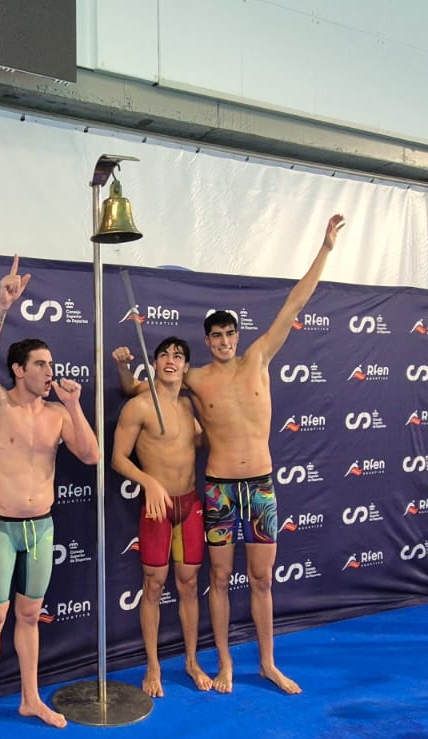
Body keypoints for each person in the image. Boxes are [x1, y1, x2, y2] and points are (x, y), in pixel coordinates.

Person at [124, 214, 345, 693]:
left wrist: (325, 248)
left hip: (261, 487)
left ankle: (267, 663)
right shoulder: (195, 378)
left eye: (229, 335)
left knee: (262, 579)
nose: (223, 342)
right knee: (219, 579)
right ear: (206, 342)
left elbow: (295, 302)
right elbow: (152, 387)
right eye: (215, 337)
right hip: (220, 490)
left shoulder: (260, 359)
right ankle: (224, 662)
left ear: (237, 336)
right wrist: (125, 377)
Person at [0, 256, 101, 739]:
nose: (49, 370)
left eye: (51, 364)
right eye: (40, 364)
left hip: (42, 528)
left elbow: (91, 454)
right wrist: (1, 305)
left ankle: (30, 696)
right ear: (18, 369)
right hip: (1, 527)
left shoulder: (59, 413)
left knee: (27, 616)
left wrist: (75, 404)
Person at [110, 338, 211, 697]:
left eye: (178, 356)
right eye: (164, 355)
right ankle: (153, 667)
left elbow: (198, 442)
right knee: (153, 586)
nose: (171, 360)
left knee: (188, 584)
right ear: (154, 363)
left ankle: (191, 660)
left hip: (191, 505)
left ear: (185, 367)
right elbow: (118, 458)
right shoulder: (139, 405)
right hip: (157, 508)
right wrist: (148, 481)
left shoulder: (191, 405)